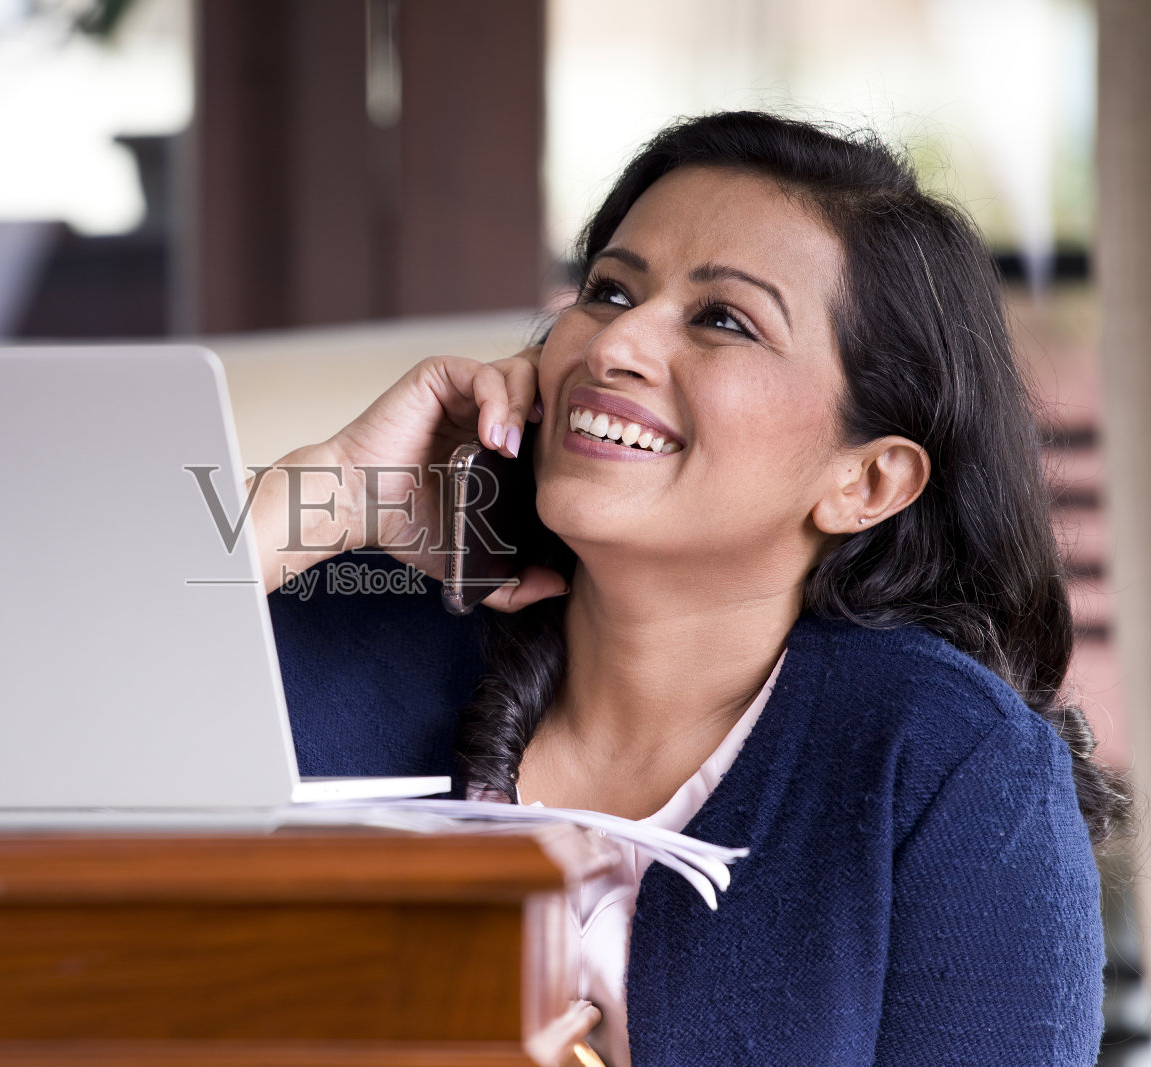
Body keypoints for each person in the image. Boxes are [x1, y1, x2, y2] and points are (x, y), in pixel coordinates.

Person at [247, 111, 1129, 1066]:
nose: (615, 344)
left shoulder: (944, 763)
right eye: (609, 290)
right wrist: (325, 495)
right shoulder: (340, 631)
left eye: (722, 320)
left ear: (865, 480)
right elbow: (65, 661)